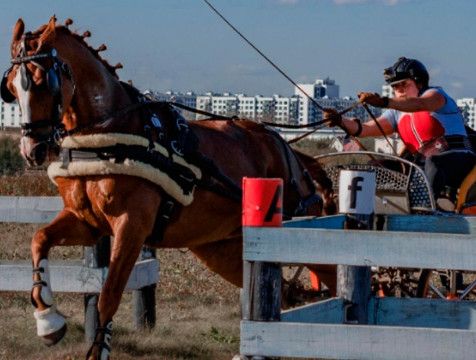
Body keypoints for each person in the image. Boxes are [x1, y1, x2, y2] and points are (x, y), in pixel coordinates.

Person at [325, 56, 476, 206]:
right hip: (422, 167)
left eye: (404, 84)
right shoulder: (396, 113)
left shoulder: (436, 96)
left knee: (434, 162)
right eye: (395, 87)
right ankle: (373, 210)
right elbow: (365, 129)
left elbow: (419, 104)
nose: (399, 90)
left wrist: (384, 102)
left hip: (459, 160)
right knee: (376, 165)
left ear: (420, 83)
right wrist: (340, 121)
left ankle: (424, 209)